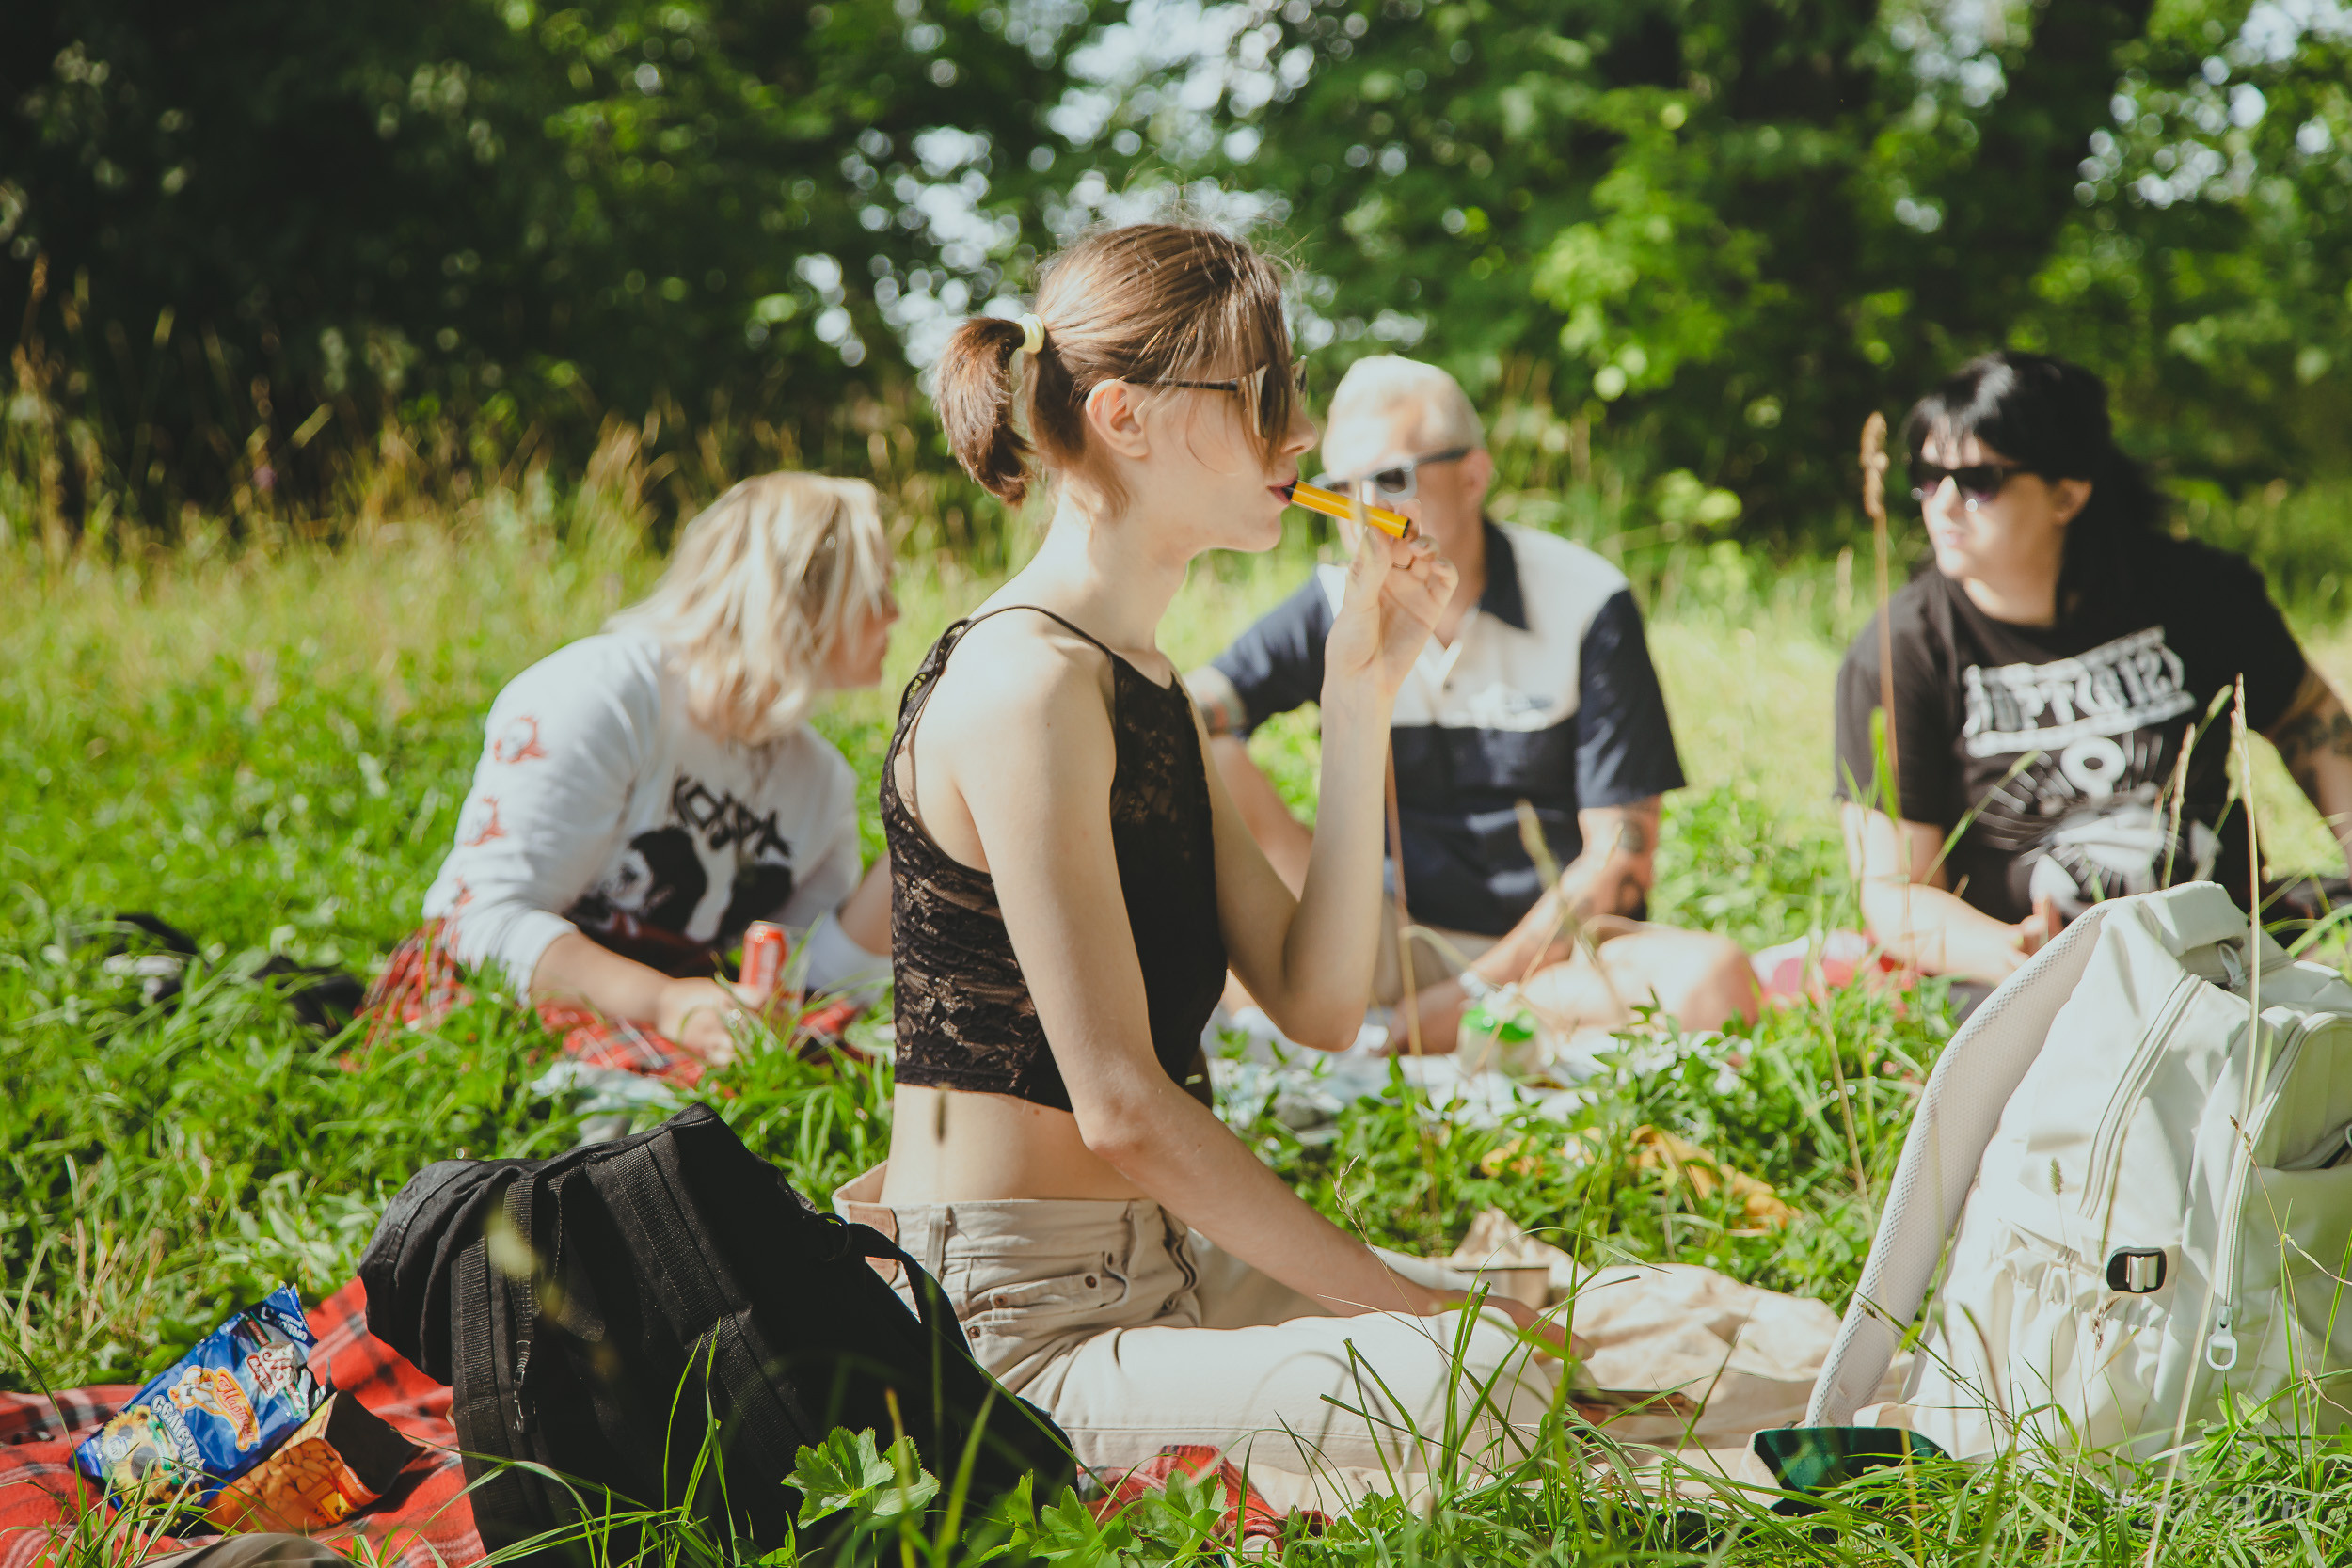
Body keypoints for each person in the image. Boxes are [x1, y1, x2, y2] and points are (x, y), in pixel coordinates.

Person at [832, 223, 1561, 1500]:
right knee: (1477, 1374)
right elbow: (1119, 1104)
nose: (1298, 436)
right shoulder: (1026, 686)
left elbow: (1321, 1000)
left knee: (1524, 1321)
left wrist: (1358, 693)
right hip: (1015, 1326)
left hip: (1153, 1259)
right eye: (1266, 391)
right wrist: (1402, 1309)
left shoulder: (1144, 683)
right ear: (1125, 415)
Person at [1185, 356, 1757, 1066]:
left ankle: (1415, 1039)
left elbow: (1619, 862)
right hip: (1382, 941)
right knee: (1198, 748)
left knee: (1715, 980)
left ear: (1474, 475)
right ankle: (1408, 1035)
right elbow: (1195, 703)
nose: (1361, 508)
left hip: (1552, 957)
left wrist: (1462, 997)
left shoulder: (1585, 601)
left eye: (1391, 479)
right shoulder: (1334, 602)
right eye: (1339, 486)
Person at [1835, 351, 2352, 986]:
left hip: (2228, 948)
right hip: (2037, 985)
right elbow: (1898, 892)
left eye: (1978, 481)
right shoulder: (1900, 652)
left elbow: (2311, 722)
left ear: (2068, 493)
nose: (1942, 503)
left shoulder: (2196, 595)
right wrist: (2010, 954)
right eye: (1926, 475)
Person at [372, 471, 898, 1076]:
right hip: (536, 991)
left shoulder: (818, 780)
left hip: (681, 1012)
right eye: (877, 588)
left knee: (831, 1058)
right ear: (804, 596)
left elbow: (814, 985)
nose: (896, 612)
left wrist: (924, 822)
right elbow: (481, 920)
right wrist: (667, 1002)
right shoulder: (604, 695)